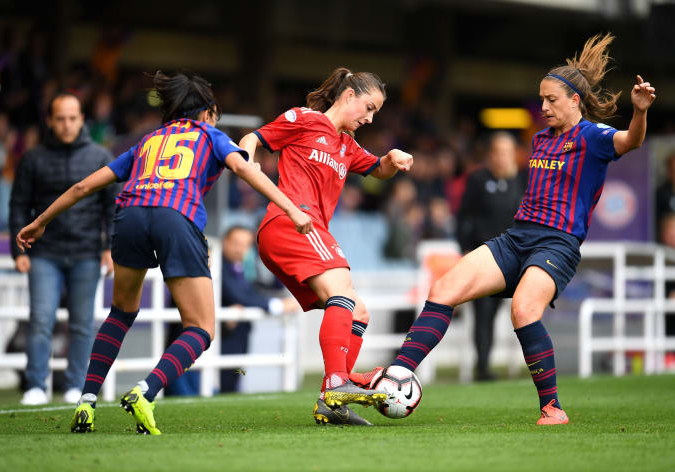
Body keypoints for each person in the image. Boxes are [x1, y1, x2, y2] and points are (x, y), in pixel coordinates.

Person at [352, 33, 656, 425]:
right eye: (542, 99)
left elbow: (631, 141)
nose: (543, 106)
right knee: (444, 289)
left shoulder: (593, 138)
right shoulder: (541, 139)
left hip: (557, 243)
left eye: (551, 100)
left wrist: (641, 112)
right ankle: (396, 373)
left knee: (524, 310)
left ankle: (553, 407)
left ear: (574, 101)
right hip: (516, 237)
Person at [16, 71, 312, 435]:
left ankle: (86, 401)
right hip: (175, 217)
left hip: (129, 217)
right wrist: (293, 210)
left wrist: (41, 221)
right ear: (208, 112)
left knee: (121, 312)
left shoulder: (147, 141)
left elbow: (82, 186)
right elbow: (244, 170)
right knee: (201, 328)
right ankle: (146, 390)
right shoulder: (210, 135)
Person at [239, 67, 414, 426]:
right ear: (348, 96)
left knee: (358, 311)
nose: (369, 118)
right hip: (290, 222)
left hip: (303, 231)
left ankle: (331, 403)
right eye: (368, 108)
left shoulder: (347, 146)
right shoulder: (305, 120)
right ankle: (337, 382)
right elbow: (254, 137)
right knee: (343, 294)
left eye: (375, 113)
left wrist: (392, 160)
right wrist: (247, 158)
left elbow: (377, 169)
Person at [9, 92, 116, 406]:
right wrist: (19, 251)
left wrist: (109, 248)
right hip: (44, 254)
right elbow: (18, 207)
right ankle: (35, 386)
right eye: (60, 118)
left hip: (86, 252)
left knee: (82, 323)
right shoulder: (32, 158)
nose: (67, 124)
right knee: (40, 320)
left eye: (72, 118)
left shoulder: (100, 157)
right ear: (50, 121)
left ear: (82, 119)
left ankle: (77, 386)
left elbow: (111, 207)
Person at [456, 132, 527, 380]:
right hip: (484, 258)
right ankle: (483, 367)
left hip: (516, 258)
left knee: (526, 309)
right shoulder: (477, 179)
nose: (502, 157)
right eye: (497, 152)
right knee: (484, 312)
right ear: (490, 154)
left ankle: (536, 365)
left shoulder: (522, 180)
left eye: (507, 152)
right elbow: (462, 217)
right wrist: (464, 249)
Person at [219, 225, 300, 393]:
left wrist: (274, 302)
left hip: (236, 332)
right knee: (222, 381)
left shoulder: (239, 267)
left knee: (232, 380)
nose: (240, 249)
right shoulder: (218, 265)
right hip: (221, 334)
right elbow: (238, 294)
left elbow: (247, 293)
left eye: (245, 244)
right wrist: (276, 305)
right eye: (235, 243)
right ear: (224, 242)